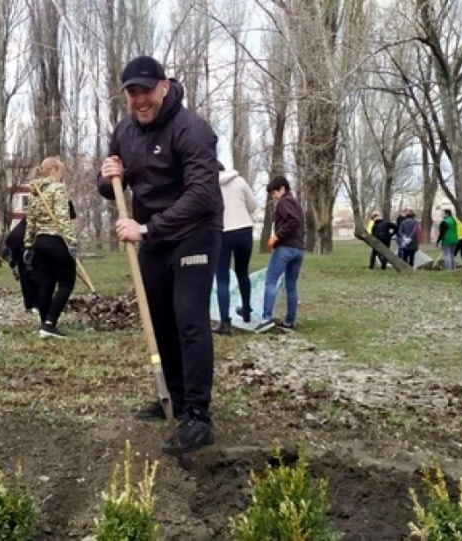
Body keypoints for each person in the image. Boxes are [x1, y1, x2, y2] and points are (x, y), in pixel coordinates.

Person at [97, 55, 223, 454]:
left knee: (189, 319)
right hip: (151, 238)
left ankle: (198, 415)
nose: (140, 100)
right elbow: (111, 188)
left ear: (164, 87)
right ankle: (175, 395)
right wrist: (106, 177)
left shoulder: (193, 130)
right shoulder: (124, 131)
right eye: (132, 92)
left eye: (146, 91)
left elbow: (202, 196)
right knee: (161, 319)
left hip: (194, 233)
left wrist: (147, 228)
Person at [24, 157, 77, 339]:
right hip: (56, 240)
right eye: (61, 170)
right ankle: (50, 323)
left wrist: (28, 245)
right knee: (67, 282)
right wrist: (71, 242)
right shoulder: (58, 189)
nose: (62, 174)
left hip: (40, 242)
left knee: (46, 283)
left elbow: (30, 221)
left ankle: (43, 324)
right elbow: (63, 218)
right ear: (53, 169)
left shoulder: (35, 192)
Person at [256, 175, 304, 333]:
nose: (274, 196)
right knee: (291, 286)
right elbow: (298, 221)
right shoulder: (296, 202)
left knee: (271, 280)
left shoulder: (284, 202)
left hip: (285, 248)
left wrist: (276, 236)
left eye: (275, 192)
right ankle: (290, 321)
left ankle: (267, 318)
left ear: (283, 189)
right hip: (298, 249)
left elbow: (293, 221)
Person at [214, 161, 257, 335]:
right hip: (244, 230)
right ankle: (246, 311)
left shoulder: (209, 185)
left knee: (222, 279)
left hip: (222, 233)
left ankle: (225, 322)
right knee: (242, 271)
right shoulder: (240, 181)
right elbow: (253, 205)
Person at [4, 217, 39, 314]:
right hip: (22, 249)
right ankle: (32, 305)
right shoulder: (19, 233)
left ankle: (34, 305)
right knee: (28, 276)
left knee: (31, 277)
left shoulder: (26, 224)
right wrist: (14, 264)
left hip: (26, 247)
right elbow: (12, 248)